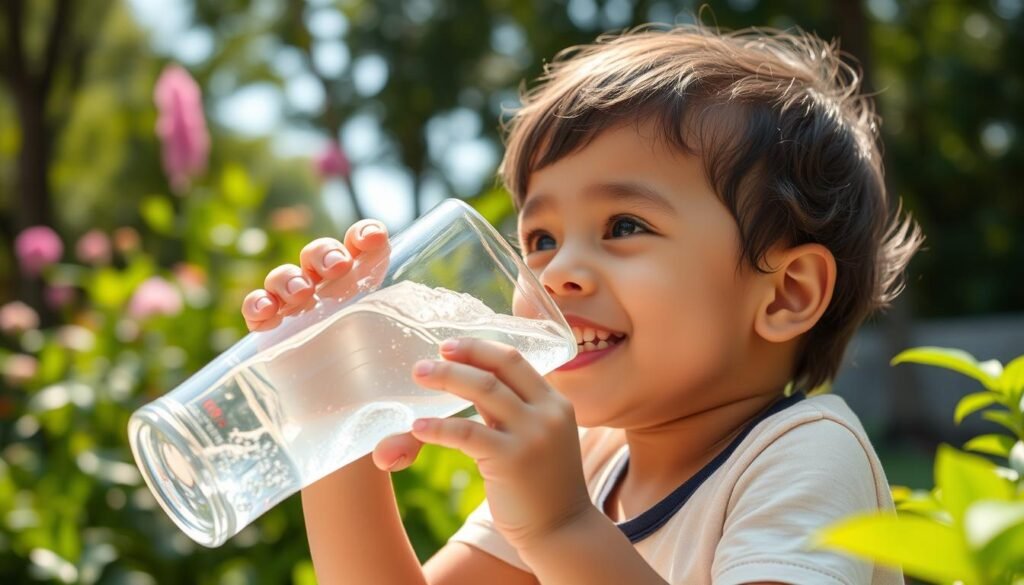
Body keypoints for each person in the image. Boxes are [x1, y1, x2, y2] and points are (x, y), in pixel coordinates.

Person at [241, 23, 922, 585]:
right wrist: (337, 429)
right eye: (539, 238)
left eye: (625, 226)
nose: (558, 271)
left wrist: (562, 526)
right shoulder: (593, 458)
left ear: (786, 293)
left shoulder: (801, 454)